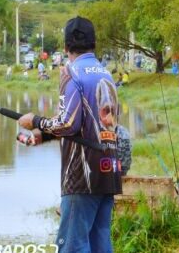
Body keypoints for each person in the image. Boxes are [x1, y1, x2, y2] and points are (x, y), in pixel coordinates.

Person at [17, 16, 122, 253]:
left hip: (81, 177)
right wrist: (43, 135)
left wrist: (34, 120)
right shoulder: (106, 75)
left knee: (73, 247)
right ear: (94, 44)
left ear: (66, 47)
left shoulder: (72, 73)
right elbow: (87, 125)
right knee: (100, 243)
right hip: (108, 171)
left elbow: (68, 124)